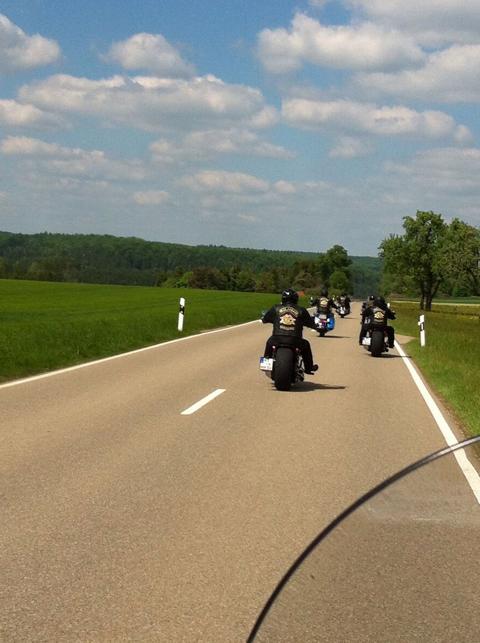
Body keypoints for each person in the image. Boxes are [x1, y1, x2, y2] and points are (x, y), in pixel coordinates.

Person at [262, 289, 318, 374]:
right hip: (295, 340)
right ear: (296, 299)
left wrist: (267, 320)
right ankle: (309, 368)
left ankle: (265, 365)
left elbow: (265, 319)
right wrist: (314, 326)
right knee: (306, 345)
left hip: (277, 338)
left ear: (283, 298)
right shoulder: (301, 310)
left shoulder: (276, 308)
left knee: (269, 343)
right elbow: (311, 323)